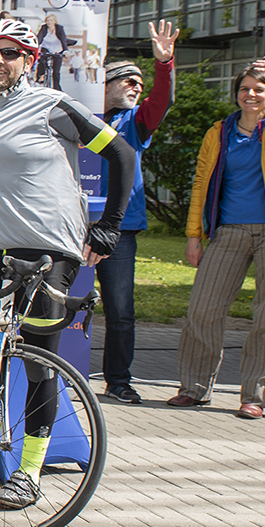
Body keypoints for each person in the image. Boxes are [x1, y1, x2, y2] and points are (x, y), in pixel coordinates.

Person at [0, 18, 135, 508]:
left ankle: (29, 472)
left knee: (41, 362)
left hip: (49, 252)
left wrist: (110, 225)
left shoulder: (54, 106)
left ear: (30, 60)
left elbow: (123, 154)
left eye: (11, 53)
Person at [173, 51, 265, 419]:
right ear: (236, 94)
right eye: (244, 89)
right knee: (203, 309)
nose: (250, 95)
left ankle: (254, 396)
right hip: (229, 231)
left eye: (258, 90)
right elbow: (200, 184)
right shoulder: (218, 132)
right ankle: (194, 388)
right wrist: (194, 235)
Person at [96, 21, 178, 405]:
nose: (136, 87)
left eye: (140, 84)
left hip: (118, 230)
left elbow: (160, 101)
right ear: (105, 84)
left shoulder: (136, 122)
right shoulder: (79, 116)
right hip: (67, 223)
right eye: (128, 81)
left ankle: (118, 380)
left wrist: (164, 65)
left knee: (120, 309)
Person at [36, 13, 70, 91]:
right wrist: (36, 48)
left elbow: (63, 39)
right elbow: (39, 38)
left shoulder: (59, 28)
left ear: (54, 21)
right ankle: (41, 75)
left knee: (56, 71)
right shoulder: (44, 27)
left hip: (57, 49)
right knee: (41, 60)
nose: (49, 22)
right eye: (47, 20)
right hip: (46, 47)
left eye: (51, 20)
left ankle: (57, 89)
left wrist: (65, 50)